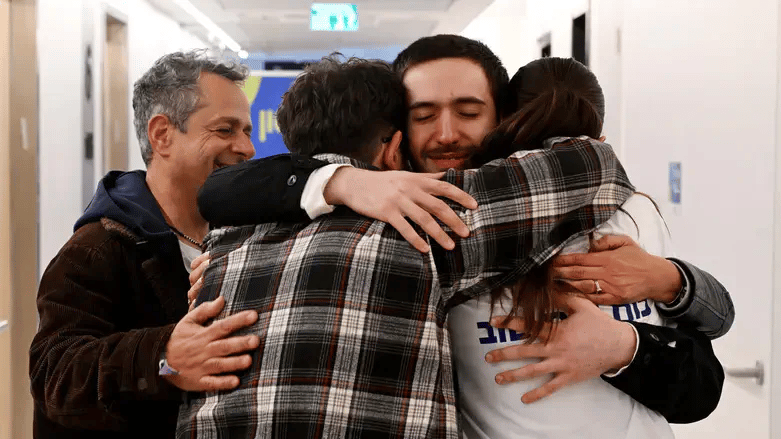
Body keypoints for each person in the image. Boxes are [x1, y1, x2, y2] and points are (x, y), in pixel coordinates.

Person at [198, 35, 732, 422]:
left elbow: (702, 386)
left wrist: (638, 327)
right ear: (396, 136)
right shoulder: (422, 241)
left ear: (503, 118)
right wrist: (345, 182)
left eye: (469, 111)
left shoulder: (608, 212)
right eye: (424, 115)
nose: (447, 133)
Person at [28, 49, 480, 439]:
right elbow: (54, 375)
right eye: (225, 130)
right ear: (162, 134)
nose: (246, 148)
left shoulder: (250, 224)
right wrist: (165, 360)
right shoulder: (100, 248)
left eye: (246, 131)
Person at [451, 56, 682, 439]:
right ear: (601, 140)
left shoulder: (457, 215)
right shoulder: (639, 212)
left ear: (500, 127)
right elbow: (681, 342)